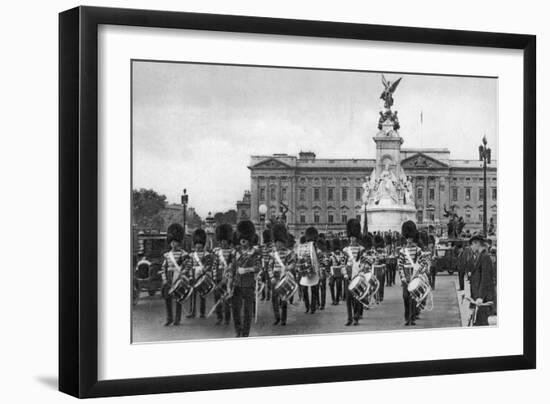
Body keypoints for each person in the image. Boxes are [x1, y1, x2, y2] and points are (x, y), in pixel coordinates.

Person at [231, 220, 262, 337]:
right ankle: (238, 331)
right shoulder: (236, 252)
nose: (242, 240)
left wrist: (247, 269)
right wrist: (230, 273)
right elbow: (232, 266)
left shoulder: (255, 252)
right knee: (236, 310)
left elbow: (258, 267)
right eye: (241, 238)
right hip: (237, 284)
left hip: (248, 284)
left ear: (249, 238)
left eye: (245, 238)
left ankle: (245, 333)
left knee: (247, 311)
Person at [397, 220, 428, 326]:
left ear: (412, 237)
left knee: (413, 297)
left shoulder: (418, 250)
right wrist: (403, 278)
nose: (409, 240)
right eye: (408, 238)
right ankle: (407, 317)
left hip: (415, 276)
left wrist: (419, 274)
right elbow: (400, 265)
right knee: (405, 296)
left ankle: (411, 318)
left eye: (410, 238)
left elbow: (424, 263)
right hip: (406, 276)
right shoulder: (402, 251)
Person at [267, 223, 296, 325]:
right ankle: (277, 317)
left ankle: (283, 319)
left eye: (280, 242)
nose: (278, 244)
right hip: (275, 276)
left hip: (284, 277)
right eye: (277, 242)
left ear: (283, 242)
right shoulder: (273, 254)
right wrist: (271, 277)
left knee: (284, 299)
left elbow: (292, 264)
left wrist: (288, 268)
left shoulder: (289, 253)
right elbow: (269, 267)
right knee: (274, 299)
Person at [160, 223, 188, 326]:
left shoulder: (183, 254)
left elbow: (187, 266)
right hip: (169, 277)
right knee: (167, 299)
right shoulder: (167, 255)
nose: (173, 244)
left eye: (175, 242)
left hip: (179, 276)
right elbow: (163, 268)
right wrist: (164, 279)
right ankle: (169, 318)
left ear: (179, 242)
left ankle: (177, 319)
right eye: (172, 242)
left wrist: (183, 274)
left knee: (178, 298)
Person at [342, 219, 367, 326]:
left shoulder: (361, 249)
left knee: (357, 297)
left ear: (357, 237)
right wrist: (345, 274)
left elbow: (364, 262)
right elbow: (342, 263)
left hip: (357, 274)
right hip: (348, 274)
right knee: (348, 298)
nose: (352, 239)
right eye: (351, 237)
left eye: (354, 237)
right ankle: (349, 318)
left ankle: (356, 317)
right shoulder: (345, 250)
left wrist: (362, 270)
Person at [469, 234, 495, 326]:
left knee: (482, 323)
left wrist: (481, 297)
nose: (471, 247)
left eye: (472, 244)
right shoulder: (481, 256)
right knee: (478, 322)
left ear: (477, 243)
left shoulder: (485, 257)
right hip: (479, 298)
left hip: (483, 300)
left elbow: (485, 278)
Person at [185, 228, 212, 319]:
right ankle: (192, 312)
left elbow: (209, 265)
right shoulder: (191, 255)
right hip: (193, 275)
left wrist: (205, 271)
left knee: (202, 294)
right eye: (197, 245)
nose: (198, 247)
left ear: (202, 245)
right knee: (193, 295)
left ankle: (202, 312)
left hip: (202, 276)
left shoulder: (206, 254)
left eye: (200, 246)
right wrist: (189, 275)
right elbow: (189, 265)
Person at [211, 224, 234, 325]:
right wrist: (215, 278)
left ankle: (227, 318)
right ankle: (219, 317)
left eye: (225, 241)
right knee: (217, 297)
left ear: (228, 241)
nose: (223, 243)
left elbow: (233, 266)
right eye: (221, 241)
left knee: (227, 299)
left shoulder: (232, 252)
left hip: (228, 277)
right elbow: (214, 265)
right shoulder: (216, 252)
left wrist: (229, 278)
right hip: (219, 276)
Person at [296, 227, 321, 314]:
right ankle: (309, 307)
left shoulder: (316, 247)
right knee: (307, 289)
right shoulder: (306, 246)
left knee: (312, 290)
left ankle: (311, 307)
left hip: (312, 269)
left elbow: (317, 259)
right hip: (307, 269)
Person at [328, 238, 345, 305]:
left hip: (339, 272)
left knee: (338, 286)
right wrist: (328, 272)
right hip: (332, 272)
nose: (337, 251)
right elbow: (329, 264)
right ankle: (333, 299)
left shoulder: (342, 255)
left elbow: (343, 263)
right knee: (331, 285)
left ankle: (337, 300)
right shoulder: (331, 255)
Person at [260, 229, 273, 301]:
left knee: (268, 282)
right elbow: (261, 256)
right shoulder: (263, 247)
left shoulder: (271, 248)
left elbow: (272, 257)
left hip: (269, 266)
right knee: (263, 281)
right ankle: (263, 295)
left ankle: (268, 295)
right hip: (263, 266)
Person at [372, 234, 386, 303]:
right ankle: (376, 296)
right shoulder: (373, 251)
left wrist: (381, 260)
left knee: (381, 283)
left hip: (381, 268)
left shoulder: (383, 251)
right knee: (375, 283)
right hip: (375, 269)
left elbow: (385, 259)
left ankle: (381, 296)